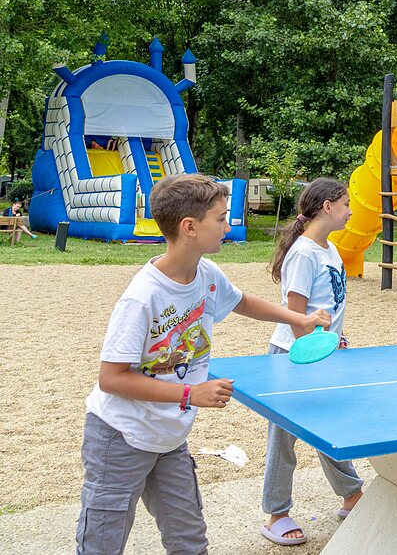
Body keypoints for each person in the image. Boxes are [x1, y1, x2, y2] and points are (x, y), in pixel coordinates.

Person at [78, 174, 332, 555]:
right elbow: (112, 378)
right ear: (190, 227)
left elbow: (243, 301)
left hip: (169, 438)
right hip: (120, 437)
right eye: (221, 218)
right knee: (103, 541)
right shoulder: (142, 297)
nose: (227, 226)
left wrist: (298, 319)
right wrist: (189, 392)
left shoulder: (207, 275)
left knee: (189, 539)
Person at [259, 178, 364, 546]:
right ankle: (277, 513)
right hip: (293, 356)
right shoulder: (303, 253)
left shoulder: (330, 250)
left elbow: (329, 309)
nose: (351, 210)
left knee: (330, 428)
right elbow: (296, 314)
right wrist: (317, 352)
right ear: (327, 207)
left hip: (320, 354)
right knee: (284, 439)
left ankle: (351, 495)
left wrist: (336, 341)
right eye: (346, 203)